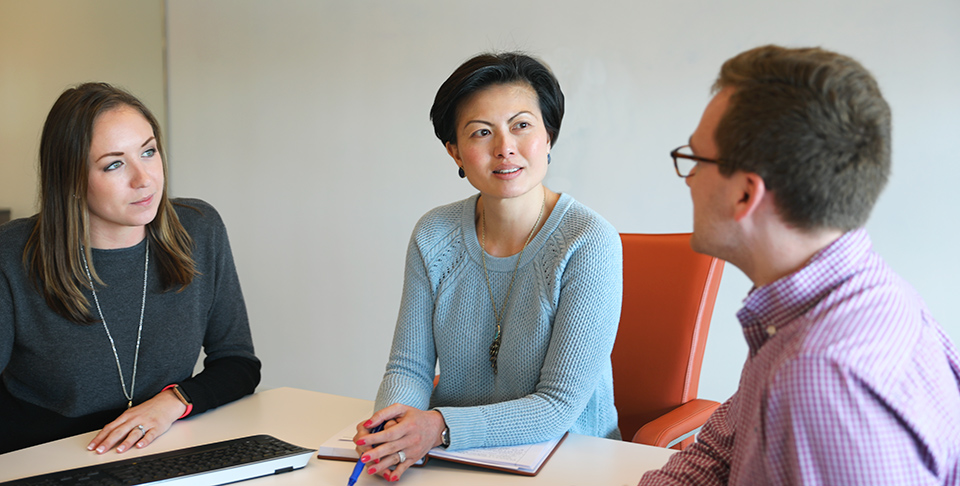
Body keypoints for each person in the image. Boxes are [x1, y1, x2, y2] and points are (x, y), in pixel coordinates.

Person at [640, 45, 960, 485]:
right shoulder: (817, 303)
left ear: (745, 195)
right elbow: (717, 452)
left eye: (696, 160)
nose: (689, 179)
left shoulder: (822, 378)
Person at [353, 52, 623, 482]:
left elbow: (557, 406)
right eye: (481, 132)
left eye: (521, 126)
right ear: (455, 152)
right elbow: (409, 368)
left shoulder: (589, 242)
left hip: (570, 462)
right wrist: (392, 430)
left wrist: (438, 427)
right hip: (459, 459)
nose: (504, 148)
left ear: (548, 136)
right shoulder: (434, 234)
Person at [0, 82, 260, 455]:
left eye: (148, 152)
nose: (144, 179)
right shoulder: (12, 253)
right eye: (114, 164)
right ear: (71, 178)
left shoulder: (200, 228)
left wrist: (172, 403)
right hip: (43, 457)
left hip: (162, 448)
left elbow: (238, 362)